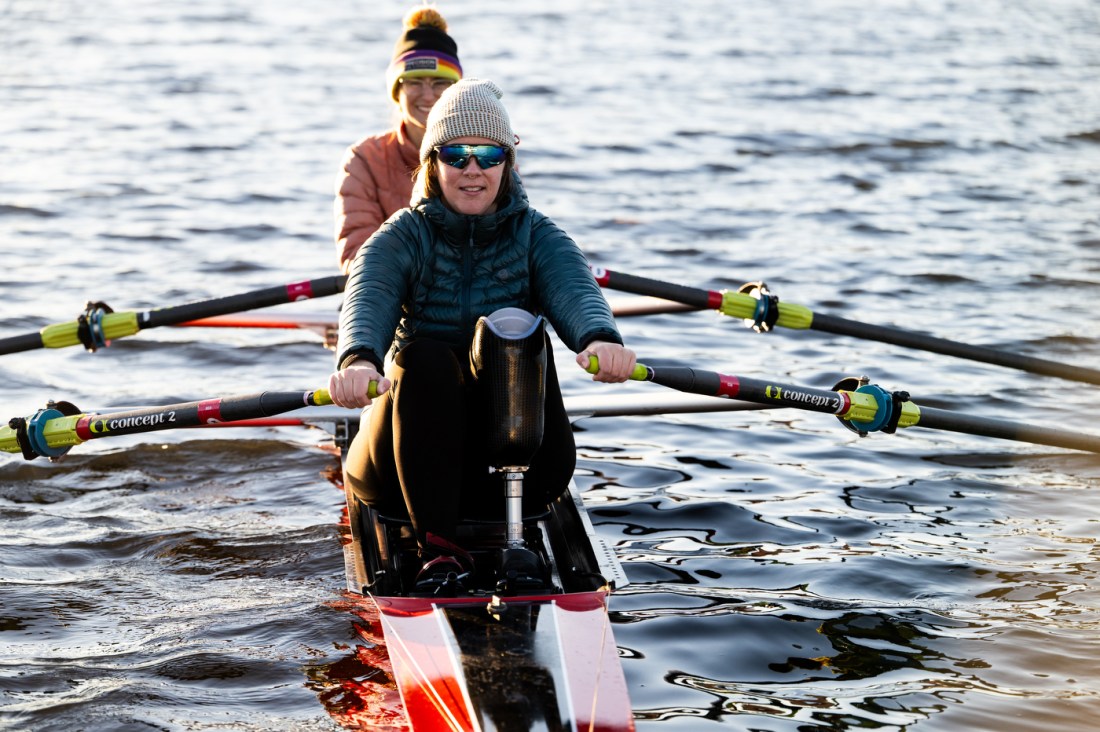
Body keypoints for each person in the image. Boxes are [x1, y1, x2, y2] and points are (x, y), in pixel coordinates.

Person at [327, 78, 636, 576]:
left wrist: (600, 338)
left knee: (515, 340)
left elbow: (574, 288)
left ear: (507, 163)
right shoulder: (402, 236)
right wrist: (358, 358)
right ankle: (438, 551)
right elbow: (369, 294)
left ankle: (513, 534)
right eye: (457, 154)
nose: (473, 170)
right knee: (422, 359)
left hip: (517, 466)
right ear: (433, 162)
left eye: (488, 155)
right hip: (404, 472)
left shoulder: (538, 234)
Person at [333, 6, 463, 274]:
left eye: (440, 82)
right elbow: (357, 257)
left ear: (455, 92)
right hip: (391, 300)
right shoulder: (363, 159)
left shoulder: (488, 154)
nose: (428, 96)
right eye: (415, 82)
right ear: (397, 90)